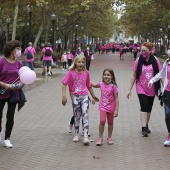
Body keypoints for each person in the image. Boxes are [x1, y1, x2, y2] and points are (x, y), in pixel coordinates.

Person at [126, 42, 162, 137]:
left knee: (149, 108)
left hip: (152, 88)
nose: (143, 52)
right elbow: (133, 75)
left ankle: (146, 125)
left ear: (150, 51)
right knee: (144, 106)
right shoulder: (138, 60)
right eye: (141, 50)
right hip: (141, 87)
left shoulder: (156, 61)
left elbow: (161, 75)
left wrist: (164, 87)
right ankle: (143, 128)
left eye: (145, 51)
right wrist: (129, 89)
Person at [62, 54, 99, 145]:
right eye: (79, 62)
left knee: (85, 114)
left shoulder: (86, 73)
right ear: (75, 62)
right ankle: (76, 134)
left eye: (82, 62)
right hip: (75, 96)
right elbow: (64, 83)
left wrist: (93, 96)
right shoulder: (70, 73)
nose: (81, 64)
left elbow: (89, 85)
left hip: (84, 96)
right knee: (77, 115)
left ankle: (85, 136)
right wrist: (64, 96)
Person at [0, 40, 26, 148]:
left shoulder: (19, 63)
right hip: (1, 92)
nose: (20, 51)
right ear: (12, 50)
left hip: (13, 94)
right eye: (18, 49)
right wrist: (4, 85)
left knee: (10, 116)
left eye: (20, 49)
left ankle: (7, 139)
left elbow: (23, 78)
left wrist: (20, 84)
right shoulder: (2, 61)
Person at [91, 68, 119, 146]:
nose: (106, 76)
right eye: (105, 75)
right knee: (102, 121)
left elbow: (116, 98)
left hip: (111, 107)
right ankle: (100, 138)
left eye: (108, 75)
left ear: (112, 77)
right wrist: (86, 78)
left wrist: (116, 110)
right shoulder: (101, 84)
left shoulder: (114, 87)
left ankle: (109, 137)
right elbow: (93, 85)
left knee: (110, 123)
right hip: (102, 106)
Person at [148, 49, 170, 147]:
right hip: (168, 92)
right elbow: (161, 74)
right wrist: (152, 80)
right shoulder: (167, 62)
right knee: (168, 114)